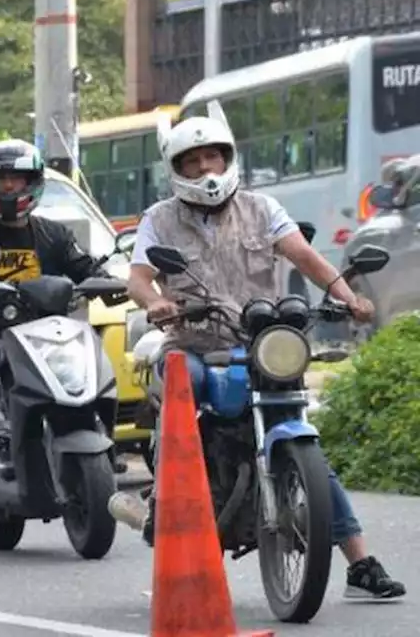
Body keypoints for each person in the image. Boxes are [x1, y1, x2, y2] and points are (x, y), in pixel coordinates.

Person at [126, 101, 406, 600]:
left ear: (227, 158)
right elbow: (140, 278)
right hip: (192, 342)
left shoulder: (261, 208)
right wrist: (158, 302)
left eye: (212, 157)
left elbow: (305, 255)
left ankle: (359, 562)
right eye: (192, 161)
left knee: (303, 440)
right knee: (182, 390)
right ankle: (162, 502)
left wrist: (349, 296)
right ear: (177, 169)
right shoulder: (159, 219)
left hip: (259, 343)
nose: (205, 169)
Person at [0, 139, 106, 479]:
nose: (10, 186)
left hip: (46, 332)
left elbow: (84, 266)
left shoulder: (54, 234)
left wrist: (106, 280)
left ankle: (94, 428)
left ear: (33, 183)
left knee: (90, 346)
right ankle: (0, 438)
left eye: (17, 179)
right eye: (3, 180)